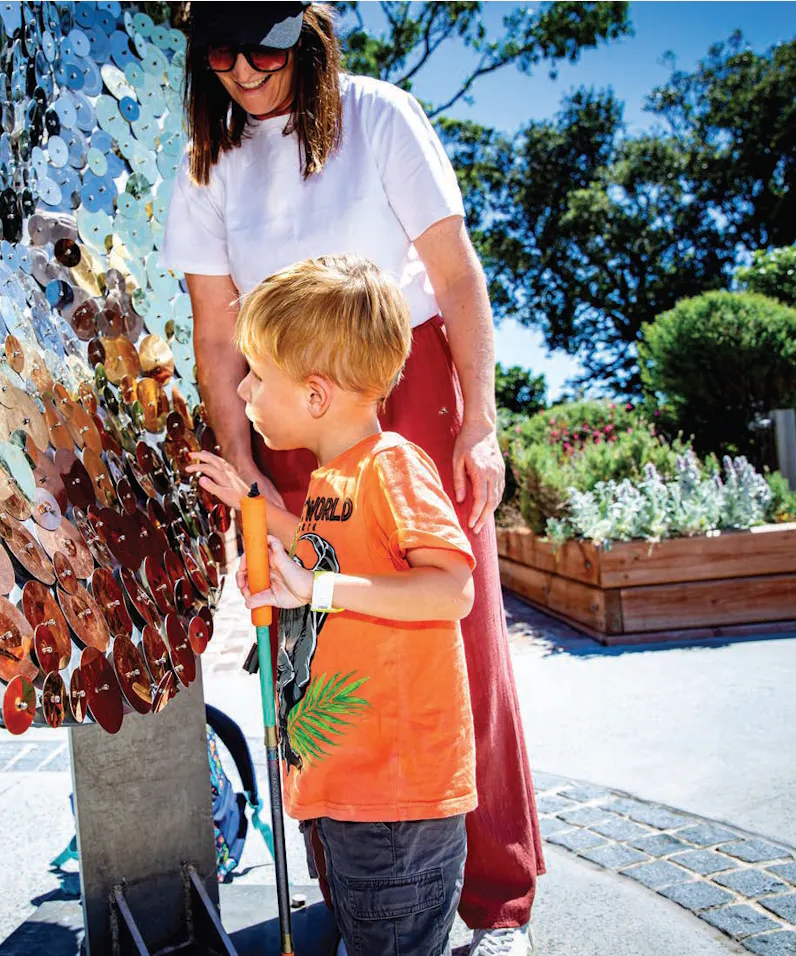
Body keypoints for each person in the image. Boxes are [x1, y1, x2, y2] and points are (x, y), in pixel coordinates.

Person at [161, 5, 543, 952]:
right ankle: (360, 888)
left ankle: (495, 898)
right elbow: (215, 335)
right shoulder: (208, 162)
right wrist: (245, 466)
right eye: (220, 52)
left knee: (457, 642)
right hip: (283, 409)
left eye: (264, 48)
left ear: (308, 34)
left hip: (404, 387)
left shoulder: (380, 114)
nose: (243, 71)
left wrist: (482, 420)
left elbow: (457, 279)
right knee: (316, 654)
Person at [190, 255, 478, 956]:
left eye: (257, 375)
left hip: (397, 807)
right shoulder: (332, 479)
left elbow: (452, 589)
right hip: (356, 794)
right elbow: (326, 544)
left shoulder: (391, 465)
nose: (246, 391)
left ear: (315, 396)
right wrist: (252, 504)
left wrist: (316, 589)